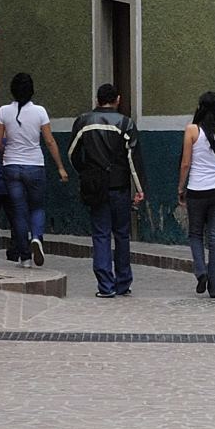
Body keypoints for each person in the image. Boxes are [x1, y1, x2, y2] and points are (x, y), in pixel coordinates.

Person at [68, 83, 144, 297]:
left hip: (96, 186)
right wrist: (139, 188)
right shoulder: (126, 123)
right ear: (118, 99)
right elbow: (132, 159)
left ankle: (105, 285)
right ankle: (123, 282)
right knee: (122, 234)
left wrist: (85, 172)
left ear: (97, 100)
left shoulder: (83, 122)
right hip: (119, 186)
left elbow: (73, 153)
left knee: (100, 234)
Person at [0, 72, 65, 266]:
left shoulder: (3, 111)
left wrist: (6, 153)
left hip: (11, 166)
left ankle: (24, 257)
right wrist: (60, 167)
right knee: (37, 207)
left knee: (18, 211)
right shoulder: (40, 111)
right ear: (31, 90)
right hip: (35, 166)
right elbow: (49, 141)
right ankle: (37, 237)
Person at [178, 90, 215, 299]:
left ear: (200, 107)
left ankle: (201, 271)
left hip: (197, 190)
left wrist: (180, 188)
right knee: (214, 237)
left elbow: (186, 163)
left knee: (195, 234)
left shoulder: (192, 130)